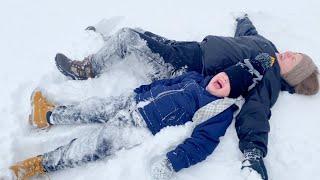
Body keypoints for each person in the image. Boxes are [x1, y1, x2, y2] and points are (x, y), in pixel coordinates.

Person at [53, 15, 319, 179]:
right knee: (138, 35)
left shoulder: (268, 78)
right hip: (189, 50)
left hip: (185, 71)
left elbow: (256, 114)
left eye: (293, 62)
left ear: (290, 76)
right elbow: (248, 35)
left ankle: (85, 69)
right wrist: (243, 19)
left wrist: (253, 153)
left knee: (129, 38)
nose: (289, 55)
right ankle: (112, 46)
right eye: (293, 53)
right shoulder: (269, 48)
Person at [10, 54, 274, 180]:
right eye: (224, 74)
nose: (221, 80)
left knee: (91, 145)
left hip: (139, 127)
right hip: (133, 101)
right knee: (92, 108)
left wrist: (172, 162)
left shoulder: (220, 111)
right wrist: (141, 91)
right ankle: (48, 116)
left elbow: (202, 144)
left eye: (229, 83)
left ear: (234, 93)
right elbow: (167, 83)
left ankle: (40, 165)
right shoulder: (196, 78)